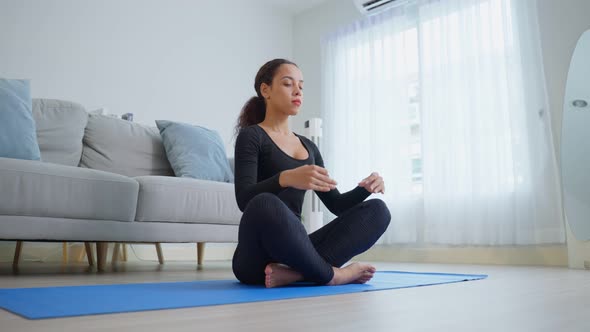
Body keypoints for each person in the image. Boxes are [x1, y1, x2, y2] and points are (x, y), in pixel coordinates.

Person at [232, 58, 391, 288]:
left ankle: (295, 274)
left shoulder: (309, 147)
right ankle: (334, 276)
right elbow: (244, 199)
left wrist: (363, 190)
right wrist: (286, 178)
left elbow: (336, 205)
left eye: (301, 86)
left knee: (378, 210)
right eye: (288, 84)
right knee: (264, 202)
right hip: (254, 261)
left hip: (296, 252)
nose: (298, 91)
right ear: (265, 90)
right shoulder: (252, 136)